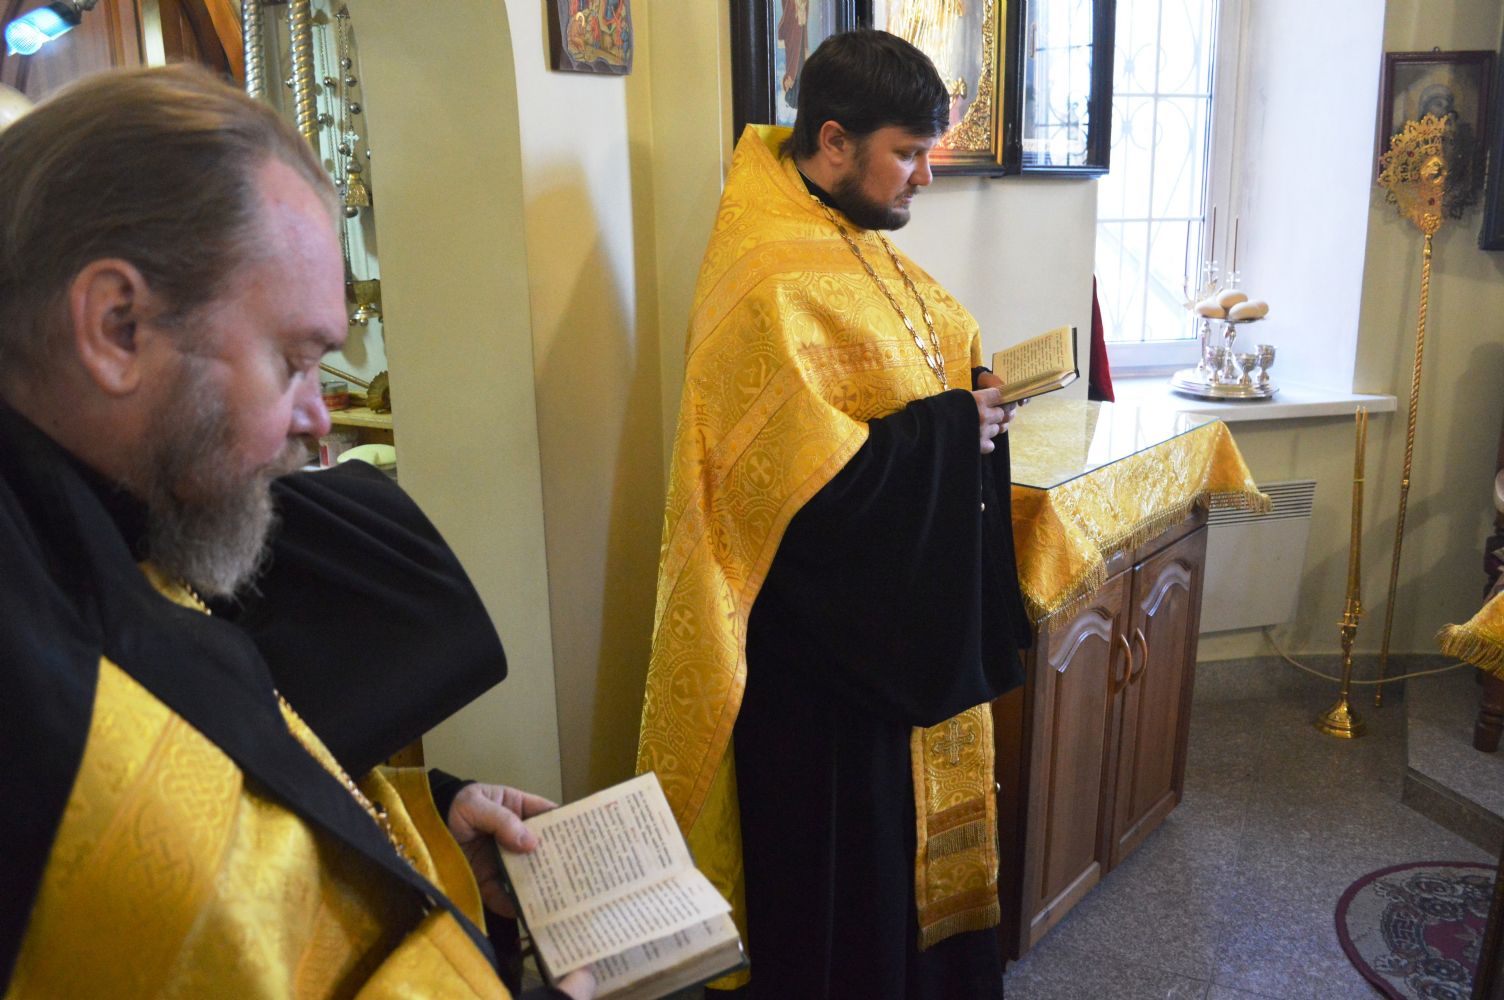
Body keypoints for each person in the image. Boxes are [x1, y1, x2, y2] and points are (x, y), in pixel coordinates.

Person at [0, 66, 593, 1000]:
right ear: (117, 326)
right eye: (293, 360)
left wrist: (412, 830)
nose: (321, 419)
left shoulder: (118, 519)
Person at [636, 29, 1032, 1000]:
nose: (926, 176)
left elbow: (905, 366)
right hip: (823, 666)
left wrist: (968, 390)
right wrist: (953, 429)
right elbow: (805, 497)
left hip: (891, 634)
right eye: (910, 152)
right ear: (833, 141)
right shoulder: (767, 272)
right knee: (853, 894)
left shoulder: (843, 232)